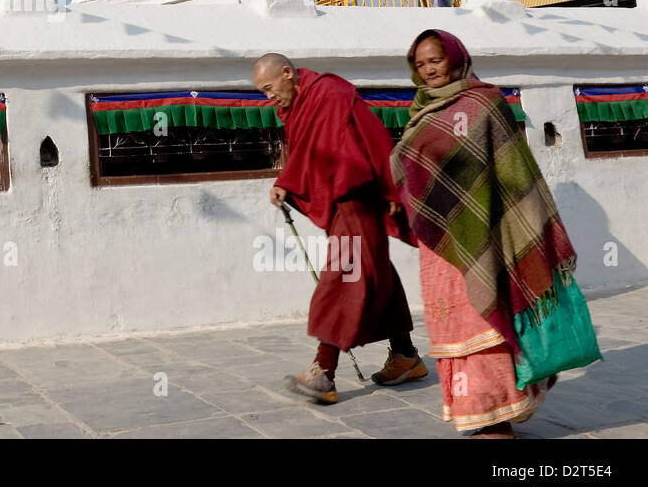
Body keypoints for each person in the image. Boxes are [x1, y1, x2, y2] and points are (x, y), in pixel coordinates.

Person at [389, 29, 599, 438]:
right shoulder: (420, 112)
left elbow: (512, 173)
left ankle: (499, 416)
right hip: (443, 247)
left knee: (486, 323)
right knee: (458, 329)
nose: (429, 69)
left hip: (490, 234)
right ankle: (486, 408)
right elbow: (411, 170)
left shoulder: (485, 102)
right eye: (420, 64)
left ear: (455, 56)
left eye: (435, 59)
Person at [253, 53, 428, 404]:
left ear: (287, 73)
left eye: (269, 88)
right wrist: (287, 180)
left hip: (358, 195)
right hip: (343, 201)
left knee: (344, 273)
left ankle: (324, 370)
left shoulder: (330, 93)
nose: (268, 97)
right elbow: (309, 151)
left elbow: (374, 135)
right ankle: (405, 354)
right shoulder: (300, 105)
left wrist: (388, 187)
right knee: (375, 273)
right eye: (262, 92)